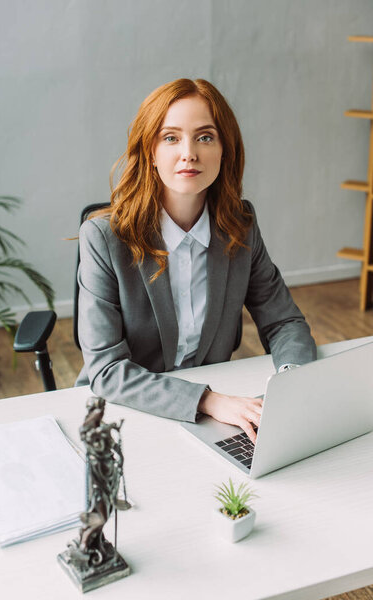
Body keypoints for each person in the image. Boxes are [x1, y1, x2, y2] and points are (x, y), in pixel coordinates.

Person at [76, 78, 316, 443]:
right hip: (124, 413)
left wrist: (291, 382)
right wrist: (207, 401)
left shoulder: (240, 226)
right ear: (150, 151)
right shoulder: (104, 238)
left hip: (214, 415)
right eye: (170, 137)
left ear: (224, 150)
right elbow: (107, 371)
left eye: (205, 137)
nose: (189, 153)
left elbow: (283, 321)